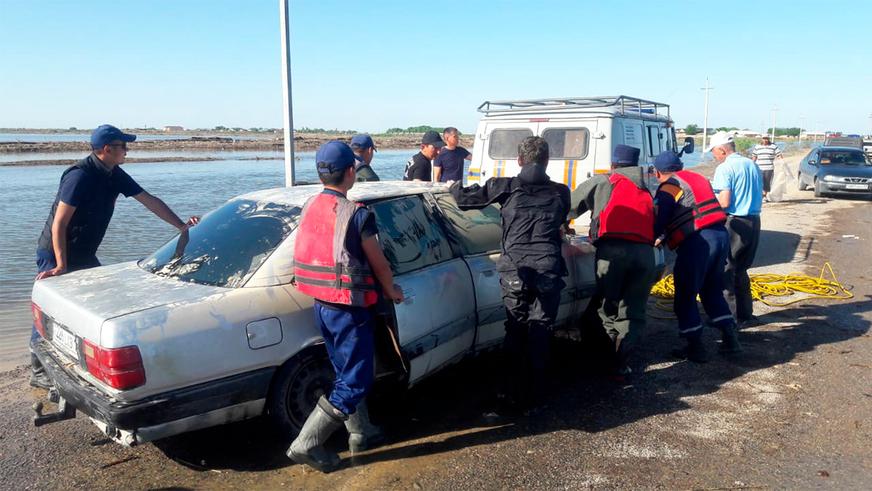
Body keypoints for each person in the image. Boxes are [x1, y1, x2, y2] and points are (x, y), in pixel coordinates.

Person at [30, 124, 199, 389]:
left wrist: (180, 226)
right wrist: (61, 264)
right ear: (107, 149)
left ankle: (80, 357)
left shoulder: (114, 174)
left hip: (84, 253)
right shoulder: (80, 176)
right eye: (123, 146)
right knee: (50, 308)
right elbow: (59, 224)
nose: (127, 151)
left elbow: (149, 200)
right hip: (56, 251)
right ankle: (38, 369)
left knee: (91, 306)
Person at [288, 141, 404, 472]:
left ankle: (361, 430)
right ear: (351, 172)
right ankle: (306, 444)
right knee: (356, 379)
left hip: (321, 303)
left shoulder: (309, 204)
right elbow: (379, 263)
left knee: (343, 372)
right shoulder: (357, 214)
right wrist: (392, 290)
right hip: (349, 307)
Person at [450, 136, 570, 410]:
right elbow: (560, 219)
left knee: (515, 327)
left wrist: (452, 184)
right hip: (548, 267)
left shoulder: (503, 186)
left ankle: (510, 391)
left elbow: (463, 200)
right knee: (541, 328)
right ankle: (538, 392)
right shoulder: (561, 191)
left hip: (516, 268)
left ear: (519, 160)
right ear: (547, 160)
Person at [568, 144, 657, 375]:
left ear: (613, 164)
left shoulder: (604, 181)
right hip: (645, 254)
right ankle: (623, 361)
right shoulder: (645, 188)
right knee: (633, 310)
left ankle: (607, 358)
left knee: (607, 306)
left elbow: (568, 206)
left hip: (613, 251)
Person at [652, 151, 742, 362]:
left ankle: (696, 347)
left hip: (698, 241)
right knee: (712, 290)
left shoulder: (670, 186)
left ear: (657, 172)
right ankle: (731, 341)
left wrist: (653, 236)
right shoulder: (698, 178)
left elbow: (661, 216)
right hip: (720, 235)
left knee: (685, 293)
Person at [707, 131, 763, 327]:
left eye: (714, 152)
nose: (713, 156)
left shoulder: (725, 168)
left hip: (735, 222)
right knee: (742, 270)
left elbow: (724, 202)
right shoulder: (752, 165)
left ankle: (728, 318)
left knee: (726, 270)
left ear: (722, 150)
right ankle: (746, 315)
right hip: (754, 221)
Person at [751, 135, 783, 201]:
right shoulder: (757, 147)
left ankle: (764, 196)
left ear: (768, 139)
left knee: (767, 183)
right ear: (761, 139)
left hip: (769, 168)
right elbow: (754, 156)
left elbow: (779, 155)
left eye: (767, 139)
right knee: (759, 182)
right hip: (759, 168)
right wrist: (751, 164)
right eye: (764, 139)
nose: (765, 140)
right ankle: (761, 195)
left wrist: (782, 162)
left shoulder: (773, 147)